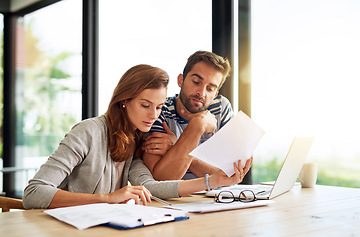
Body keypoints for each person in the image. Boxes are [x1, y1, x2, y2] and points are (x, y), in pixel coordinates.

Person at [23, 64, 247, 209]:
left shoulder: (136, 139)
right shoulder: (88, 131)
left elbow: (152, 186)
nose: (153, 115)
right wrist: (107, 199)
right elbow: (33, 193)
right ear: (124, 100)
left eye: (159, 107)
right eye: (145, 105)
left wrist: (213, 182)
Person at [142, 51, 253, 181]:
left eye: (210, 89)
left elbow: (230, 175)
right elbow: (161, 179)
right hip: (175, 199)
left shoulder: (221, 108)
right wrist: (198, 126)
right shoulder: (160, 110)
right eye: (196, 82)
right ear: (180, 80)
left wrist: (177, 146)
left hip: (215, 197)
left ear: (215, 94)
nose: (201, 93)